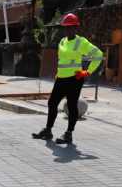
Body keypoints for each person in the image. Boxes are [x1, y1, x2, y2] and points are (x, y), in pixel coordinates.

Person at [32, 13, 103, 144]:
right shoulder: (62, 42)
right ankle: (48, 131)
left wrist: (87, 72)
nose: (68, 30)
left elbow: (98, 55)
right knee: (52, 103)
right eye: (66, 27)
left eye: (71, 27)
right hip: (61, 78)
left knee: (71, 106)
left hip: (75, 79)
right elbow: (62, 60)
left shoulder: (81, 42)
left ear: (76, 28)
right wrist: (58, 74)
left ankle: (69, 134)